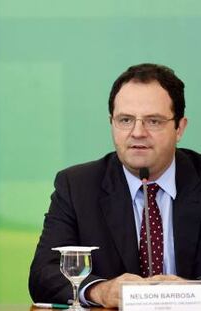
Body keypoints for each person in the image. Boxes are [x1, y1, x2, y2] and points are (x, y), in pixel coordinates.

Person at [29, 63, 201, 308]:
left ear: (180, 128)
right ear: (112, 122)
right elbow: (43, 276)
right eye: (125, 120)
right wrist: (101, 291)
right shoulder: (78, 186)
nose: (137, 132)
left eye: (153, 121)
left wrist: (193, 293)